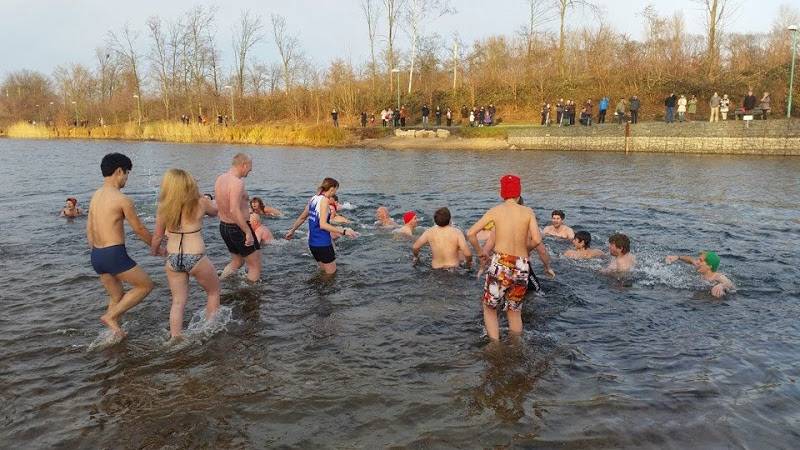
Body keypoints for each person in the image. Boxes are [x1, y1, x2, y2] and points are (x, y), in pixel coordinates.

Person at [466, 175, 544, 341]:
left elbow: (471, 233)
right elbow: (537, 240)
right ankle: (516, 344)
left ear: (502, 193)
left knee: (489, 308)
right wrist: (525, 250)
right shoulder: (528, 211)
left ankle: (495, 346)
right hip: (522, 264)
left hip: (501, 262)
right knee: (514, 310)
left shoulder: (495, 210)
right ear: (519, 193)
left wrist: (480, 252)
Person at [87, 153, 155, 338]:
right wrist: (156, 247)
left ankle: (113, 334)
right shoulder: (122, 199)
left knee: (117, 296)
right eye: (127, 173)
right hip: (114, 254)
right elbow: (139, 229)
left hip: (96, 255)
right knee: (145, 285)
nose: (127, 178)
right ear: (119, 171)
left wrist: (96, 252)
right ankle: (110, 317)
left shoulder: (95, 196)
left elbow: (89, 228)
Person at [150, 169, 220, 340]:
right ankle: (210, 330)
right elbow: (215, 212)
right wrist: (203, 195)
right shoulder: (201, 202)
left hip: (173, 258)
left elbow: (157, 236)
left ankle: (175, 338)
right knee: (213, 292)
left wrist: (155, 251)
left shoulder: (164, 207)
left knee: (178, 302)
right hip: (196, 257)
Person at [284, 178, 357, 275]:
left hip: (312, 244)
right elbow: (323, 225)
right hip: (323, 243)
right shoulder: (325, 201)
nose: (335, 192)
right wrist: (343, 231)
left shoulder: (313, 198)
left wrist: (292, 230)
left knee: (323, 273)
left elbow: (302, 217)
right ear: (332, 189)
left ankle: (315, 285)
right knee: (331, 275)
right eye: (336, 190)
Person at [214, 153, 261, 282]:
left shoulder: (220, 178)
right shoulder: (237, 183)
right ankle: (251, 292)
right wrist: (247, 232)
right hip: (238, 227)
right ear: (244, 165)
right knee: (255, 265)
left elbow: (218, 203)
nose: (250, 170)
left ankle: (219, 283)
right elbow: (234, 209)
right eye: (250, 168)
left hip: (224, 226)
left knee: (237, 261)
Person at [665, 251, 735, 298]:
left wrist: (721, 285)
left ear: (709, 266)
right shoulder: (701, 267)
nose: (697, 262)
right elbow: (690, 260)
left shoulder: (717, 277)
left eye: (700, 260)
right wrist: (678, 257)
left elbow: (729, 283)